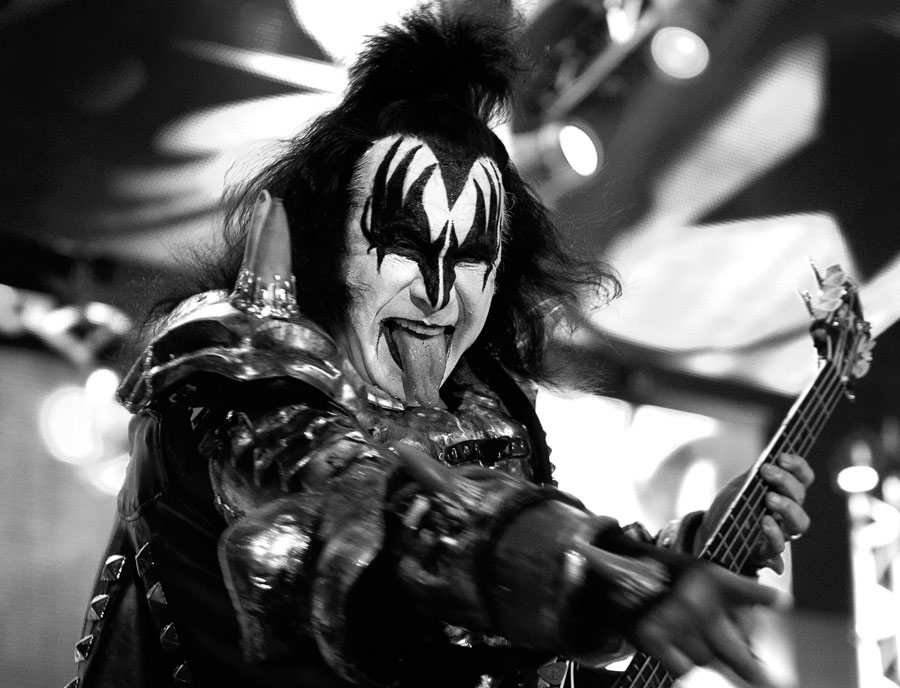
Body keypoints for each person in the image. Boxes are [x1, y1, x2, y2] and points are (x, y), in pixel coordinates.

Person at [68, 5, 814, 688]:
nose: (436, 292)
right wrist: (617, 581)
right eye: (402, 242)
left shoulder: (487, 410)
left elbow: (513, 648)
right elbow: (369, 514)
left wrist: (689, 550)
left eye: (471, 256)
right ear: (323, 247)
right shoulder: (235, 361)